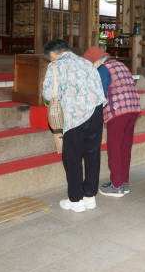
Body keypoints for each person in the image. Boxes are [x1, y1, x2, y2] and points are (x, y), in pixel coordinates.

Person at [42, 39, 107, 213]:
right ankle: (89, 196)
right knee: (92, 155)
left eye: (49, 57)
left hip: (74, 117)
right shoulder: (87, 63)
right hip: (95, 112)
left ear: (53, 54)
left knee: (73, 157)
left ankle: (76, 199)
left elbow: (47, 93)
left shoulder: (55, 66)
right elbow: (99, 89)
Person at [83, 46, 141, 197]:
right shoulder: (120, 64)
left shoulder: (103, 69)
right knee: (125, 147)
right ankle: (123, 182)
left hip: (118, 111)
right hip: (132, 109)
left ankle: (116, 186)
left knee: (115, 148)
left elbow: (100, 94)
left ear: (95, 62)